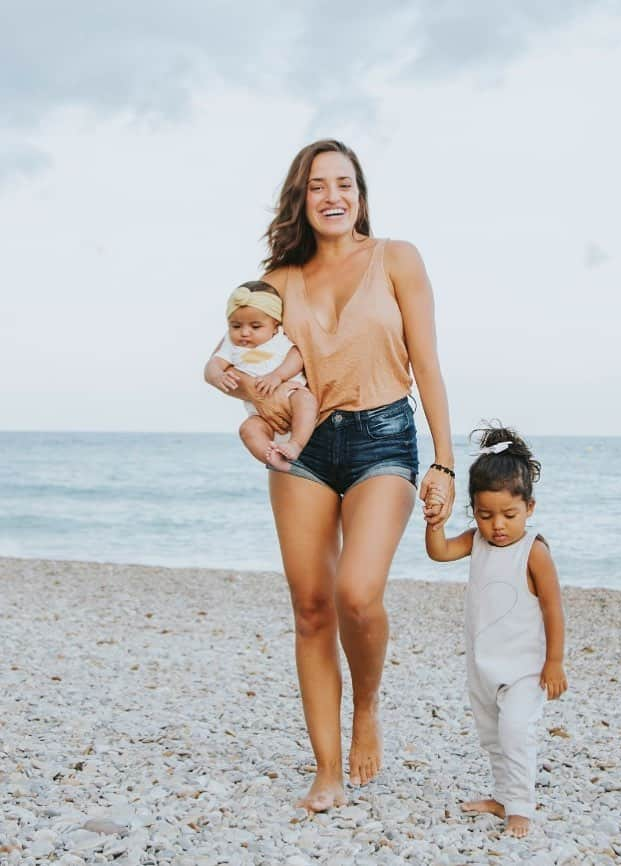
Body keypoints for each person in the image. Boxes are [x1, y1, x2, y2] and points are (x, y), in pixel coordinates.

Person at [205, 140, 455, 811]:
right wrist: (255, 411)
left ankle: (366, 705)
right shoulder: (278, 280)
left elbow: (427, 364)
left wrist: (444, 461)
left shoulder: (397, 259)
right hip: (305, 448)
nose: (333, 197)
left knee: (358, 592)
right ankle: (327, 771)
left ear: (361, 194)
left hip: (383, 438)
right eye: (318, 187)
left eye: (344, 184)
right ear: (302, 197)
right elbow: (232, 359)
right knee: (312, 608)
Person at [424, 425, 567, 838]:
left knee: (515, 731)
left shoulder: (533, 550)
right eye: (485, 516)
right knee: (492, 736)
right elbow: (439, 552)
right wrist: (435, 522)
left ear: (530, 507)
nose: (498, 526)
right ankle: (503, 796)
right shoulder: (477, 541)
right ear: (474, 510)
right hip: (483, 665)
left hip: (525, 668)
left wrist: (554, 661)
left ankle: (520, 807)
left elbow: (554, 608)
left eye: (509, 515)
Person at [204, 281, 318, 464]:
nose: (245, 332)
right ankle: (273, 458)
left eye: (255, 327)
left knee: (306, 401)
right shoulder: (231, 345)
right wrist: (217, 375)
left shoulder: (279, 339)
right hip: (259, 413)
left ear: (275, 324)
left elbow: (297, 356)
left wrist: (278, 376)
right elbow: (212, 364)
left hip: (291, 395)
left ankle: (296, 443)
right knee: (248, 429)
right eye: (236, 326)